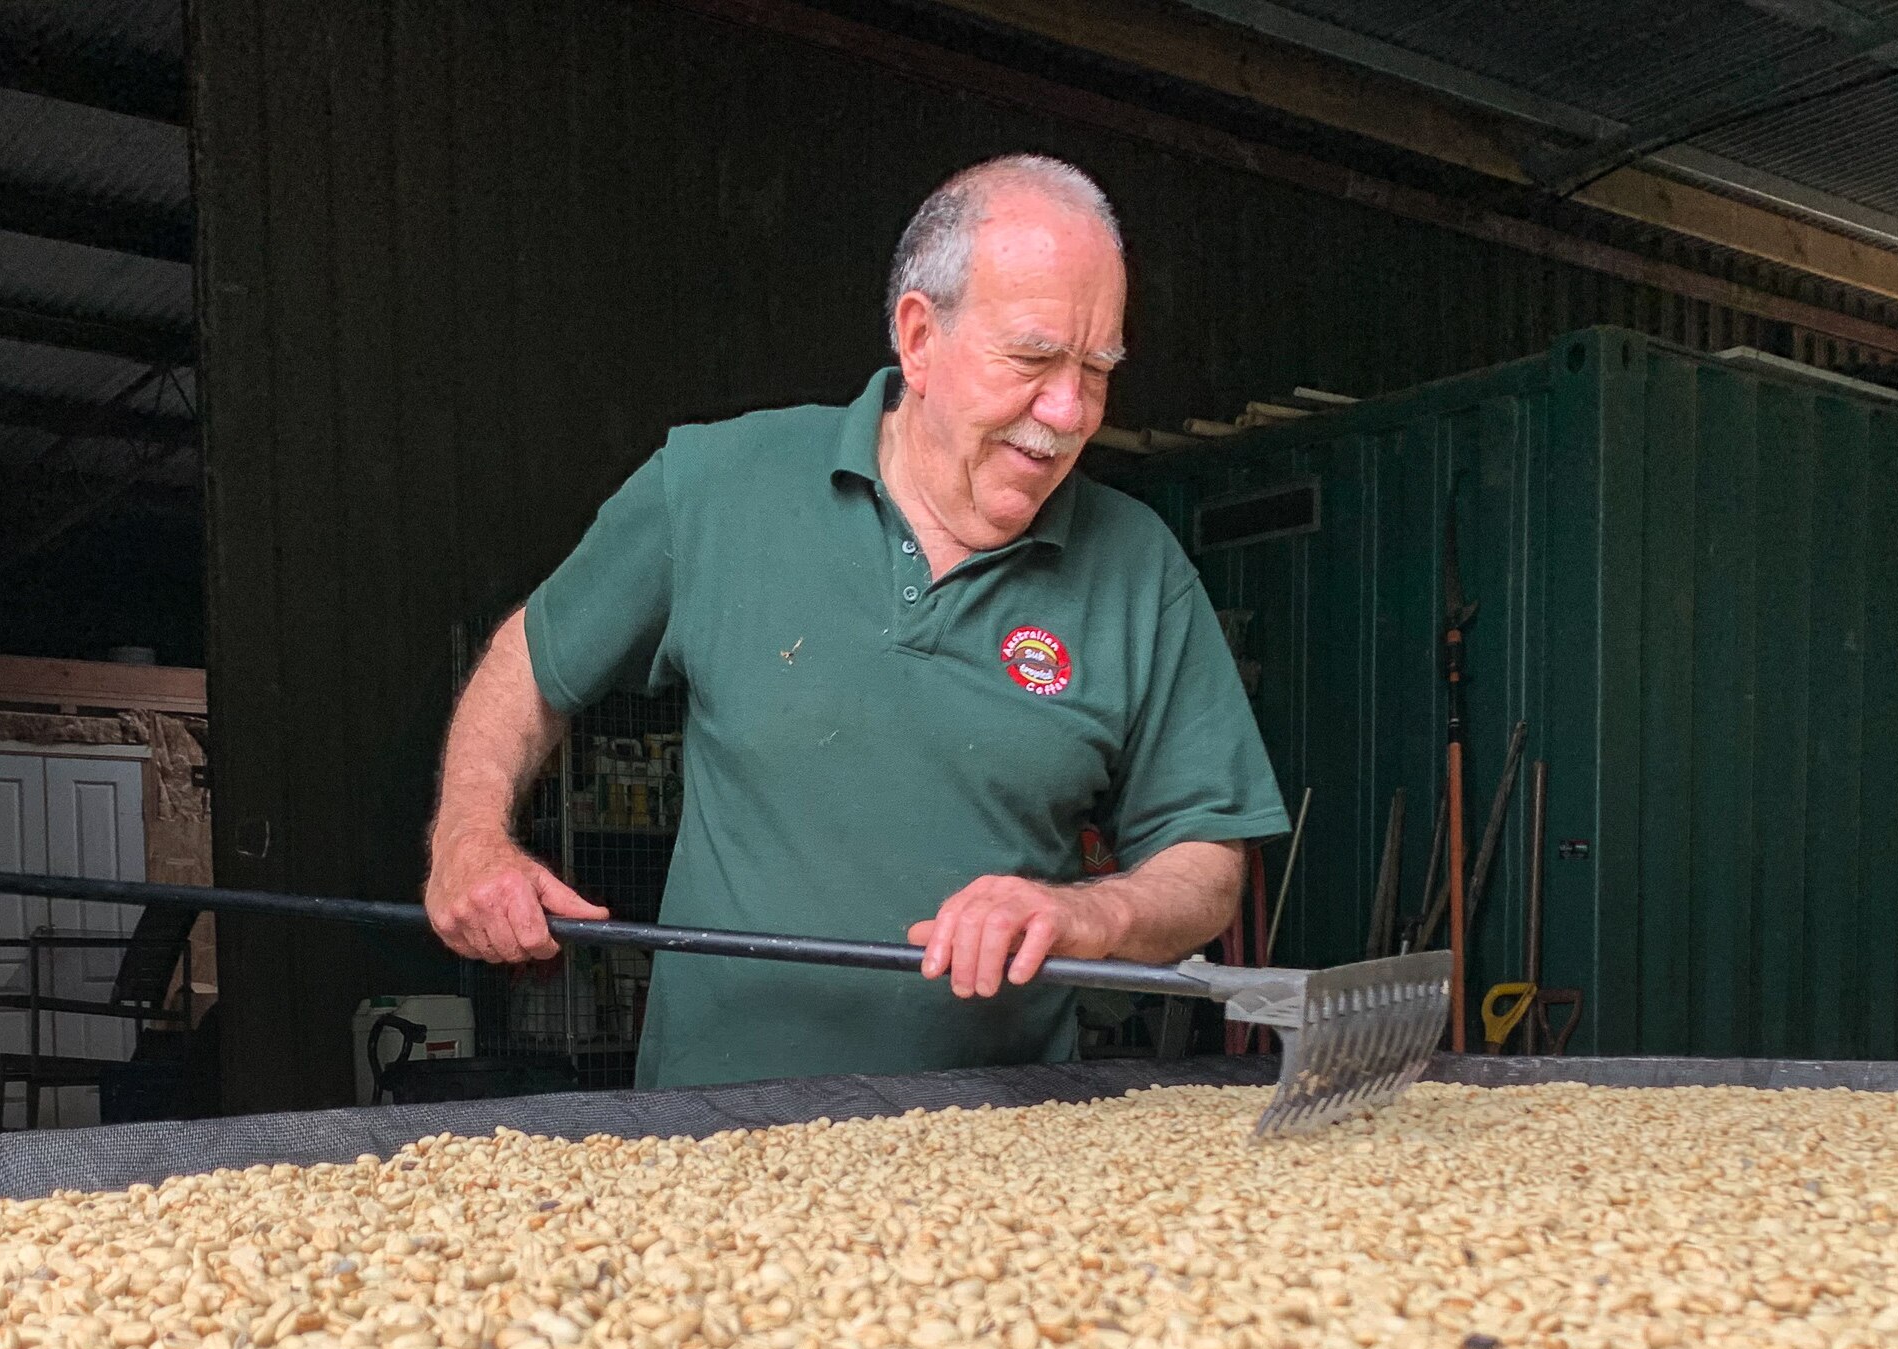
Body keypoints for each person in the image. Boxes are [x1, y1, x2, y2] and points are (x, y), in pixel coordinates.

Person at [423, 152, 1287, 1089]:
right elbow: (530, 663)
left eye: (1097, 368)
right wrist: (469, 839)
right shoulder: (712, 486)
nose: (1068, 411)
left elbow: (1206, 862)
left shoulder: (1139, 567)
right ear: (919, 337)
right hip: (709, 1137)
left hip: (1004, 1149)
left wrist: (1085, 916)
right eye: (1033, 358)